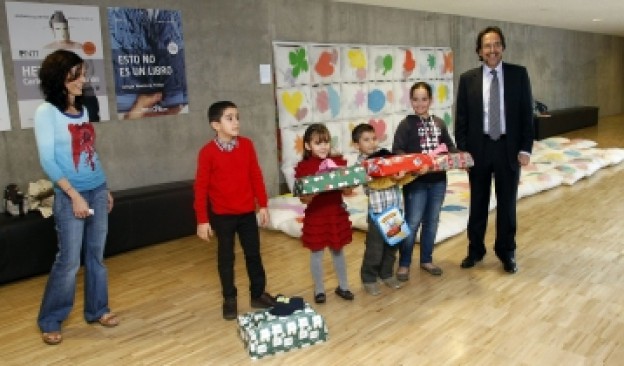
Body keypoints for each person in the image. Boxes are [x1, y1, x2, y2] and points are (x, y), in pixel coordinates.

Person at [34, 49, 117, 345]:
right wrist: (73, 195)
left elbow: (91, 154)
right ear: (60, 76)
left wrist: (103, 187)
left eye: (83, 73)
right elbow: (47, 160)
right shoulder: (46, 112)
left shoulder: (82, 109)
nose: (83, 79)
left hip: (95, 189)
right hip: (71, 194)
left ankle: (98, 309)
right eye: (77, 73)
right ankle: (51, 319)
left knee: (96, 255)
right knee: (68, 260)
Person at [454, 26, 534, 274]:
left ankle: (506, 252)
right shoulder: (468, 79)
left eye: (496, 44)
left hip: (508, 149)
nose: (492, 50)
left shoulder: (518, 75)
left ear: (503, 48)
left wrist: (525, 149)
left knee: (507, 205)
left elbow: (526, 116)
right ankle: (475, 250)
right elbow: (462, 120)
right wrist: (463, 152)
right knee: (478, 203)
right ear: (479, 50)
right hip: (479, 150)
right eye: (487, 46)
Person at [193, 100, 277, 320]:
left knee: (254, 255)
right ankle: (229, 299)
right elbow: (200, 188)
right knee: (226, 258)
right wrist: (202, 220)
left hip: (247, 212)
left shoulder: (247, 145)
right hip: (223, 216)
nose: (236, 122)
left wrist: (263, 204)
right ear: (215, 125)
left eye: (237, 117)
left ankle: (258, 294)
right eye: (229, 118)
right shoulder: (207, 153)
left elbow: (255, 175)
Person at [392, 81, 457, 281]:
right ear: (411, 100)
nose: (420, 103)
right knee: (412, 222)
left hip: (438, 181)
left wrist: (459, 158)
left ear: (430, 100)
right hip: (415, 183)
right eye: (415, 99)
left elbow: (449, 147)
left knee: (432, 221)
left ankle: (426, 259)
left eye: (424, 99)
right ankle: (404, 263)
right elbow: (398, 151)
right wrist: (414, 163)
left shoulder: (439, 123)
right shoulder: (406, 124)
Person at [295, 123, 355, 304]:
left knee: (338, 251)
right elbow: (304, 199)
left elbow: (347, 191)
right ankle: (319, 290)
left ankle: (343, 286)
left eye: (326, 142)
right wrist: (314, 191)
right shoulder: (304, 168)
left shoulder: (338, 163)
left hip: (336, 213)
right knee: (317, 253)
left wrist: (346, 183)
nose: (323, 146)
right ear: (307, 146)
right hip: (316, 215)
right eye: (318, 143)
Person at [353, 123, 413, 296]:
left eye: (373, 138)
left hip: (395, 209)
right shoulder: (361, 165)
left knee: (392, 245)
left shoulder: (386, 157)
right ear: (357, 145)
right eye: (366, 140)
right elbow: (375, 184)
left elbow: (399, 179)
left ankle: (386, 274)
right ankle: (369, 278)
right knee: (375, 249)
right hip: (378, 213)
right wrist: (394, 178)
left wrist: (408, 174)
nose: (372, 143)